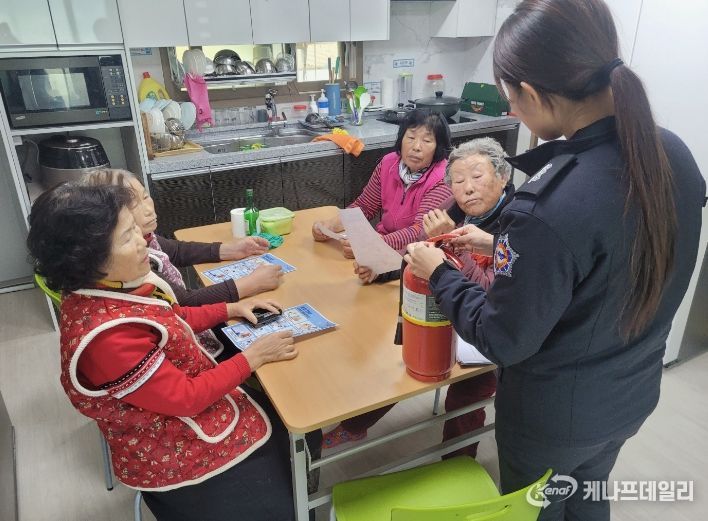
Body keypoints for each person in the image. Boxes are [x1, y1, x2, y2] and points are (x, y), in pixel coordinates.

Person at [404, 1, 706, 520]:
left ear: (532, 92)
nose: (514, 113)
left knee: (539, 507)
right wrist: (498, 246)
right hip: (629, 394)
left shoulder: (550, 204)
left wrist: (442, 274)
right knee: (588, 494)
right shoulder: (670, 152)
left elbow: (503, 337)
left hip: (553, 417)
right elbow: (606, 263)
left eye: (511, 100)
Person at [26, 183, 311, 521]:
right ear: (87, 259)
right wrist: (253, 357)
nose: (143, 241)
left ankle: (300, 485)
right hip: (174, 454)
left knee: (294, 420)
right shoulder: (106, 340)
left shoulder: (110, 286)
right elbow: (185, 398)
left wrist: (231, 309)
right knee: (290, 442)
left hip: (190, 412)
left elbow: (172, 316)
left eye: (135, 229)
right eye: (127, 237)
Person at [324, 138, 513, 451]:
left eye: (477, 177)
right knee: (398, 356)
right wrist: (381, 270)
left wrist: (449, 245)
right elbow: (419, 253)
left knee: (468, 392)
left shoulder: (516, 226)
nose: (467, 189)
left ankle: (458, 461)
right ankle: (356, 426)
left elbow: (488, 297)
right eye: (458, 181)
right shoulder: (452, 210)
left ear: (503, 176)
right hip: (440, 310)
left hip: (484, 331)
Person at [81, 169, 283, 358]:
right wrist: (252, 283)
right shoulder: (131, 262)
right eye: (134, 205)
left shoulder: (147, 238)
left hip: (195, 320)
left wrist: (231, 249)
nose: (148, 209)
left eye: (145, 196)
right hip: (192, 345)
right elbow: (185, 302)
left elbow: (177, 250)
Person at [312, 109, 452, 257]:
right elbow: (364, 206)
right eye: (411, 137)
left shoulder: (443, 179)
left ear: (438, 147)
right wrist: (330, 226)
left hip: (418, 255)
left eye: (427, 141)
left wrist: (374, 244)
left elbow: (420, 232)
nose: (416, 147)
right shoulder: (388, 163)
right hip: (382, 245)